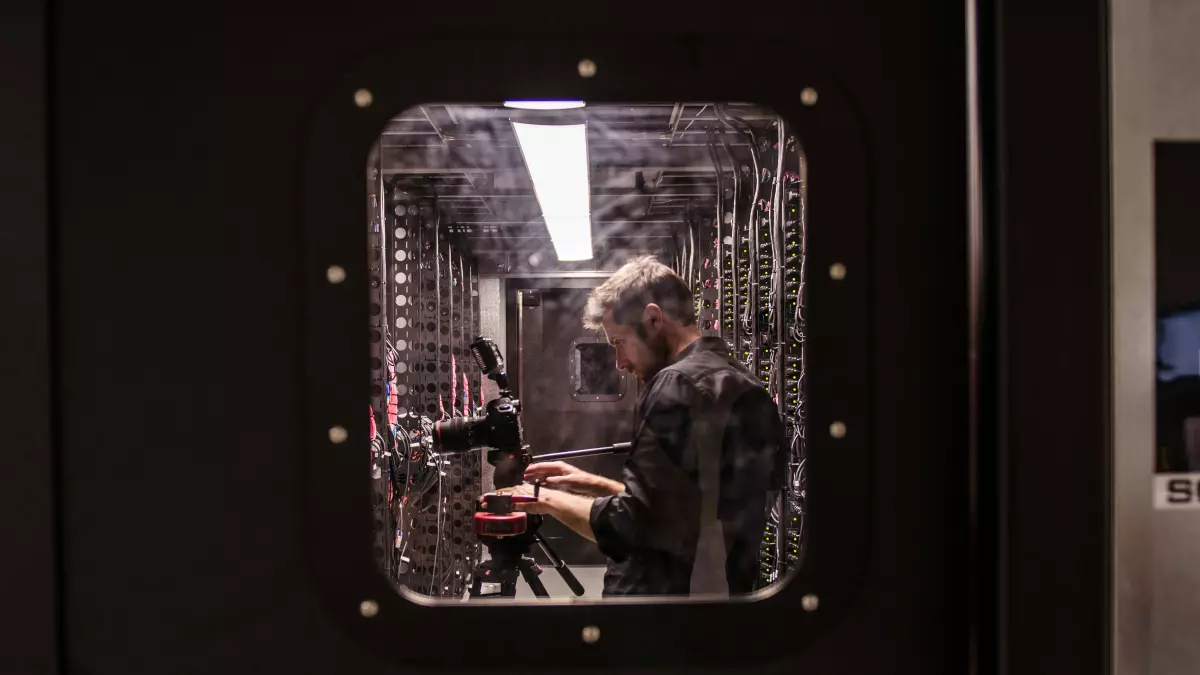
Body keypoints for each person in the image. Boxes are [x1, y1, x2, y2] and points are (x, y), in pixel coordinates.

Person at [492, 255, 786, 597]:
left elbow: (634, 527)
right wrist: (592, 483)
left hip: (658, 616)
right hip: (715, 609)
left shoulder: (675, 384)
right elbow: (685, 515)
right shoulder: (740, 383)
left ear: (653, 318)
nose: (619, 362)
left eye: (619, 343)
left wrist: (541, 500)